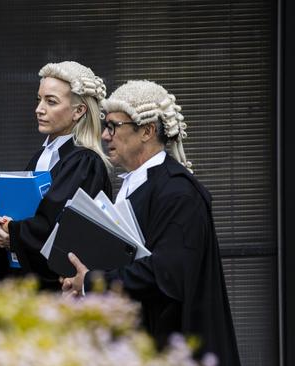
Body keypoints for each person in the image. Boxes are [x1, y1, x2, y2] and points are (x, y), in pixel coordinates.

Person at [61, 80, 240, 365]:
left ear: (147, 131)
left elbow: (168, 273)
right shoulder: (140, 185)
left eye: (113, 126)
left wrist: (95, 282)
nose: (106, 136)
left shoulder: (179, 192)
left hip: (174, 348)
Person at [0, 61, 112, 291]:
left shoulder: (85, 162)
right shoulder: (43, 156)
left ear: (79, 111)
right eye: (39, 99)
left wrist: (12, 234)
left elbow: (57, 227)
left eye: (51, 101)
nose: (39, 109)